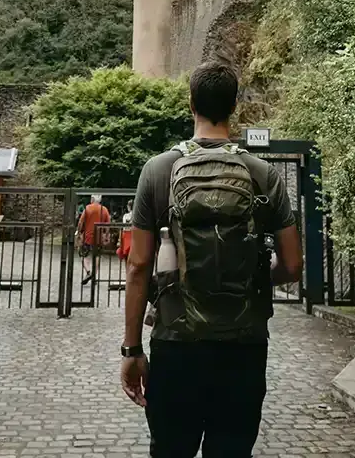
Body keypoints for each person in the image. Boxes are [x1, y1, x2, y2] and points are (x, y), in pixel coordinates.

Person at [120, 62, 303, 458]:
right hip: (243, 347)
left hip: (176, 345)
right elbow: (292, 266)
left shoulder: (157, 171)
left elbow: (137, 267)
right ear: (234, 106)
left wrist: (132, 350)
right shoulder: (263, 174)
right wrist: (249, 277)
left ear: (191, 104)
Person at [76, 193, 110, 284]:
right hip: (98, 238)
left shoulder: (87, 208)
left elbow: (80, 222)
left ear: (92, 199)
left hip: (87, 236)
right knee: (97, 256)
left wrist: (79, 232)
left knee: (83, 255)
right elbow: (107, 225)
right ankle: (94, 276)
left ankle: (88, 272)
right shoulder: (104, 209)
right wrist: (106, 235)